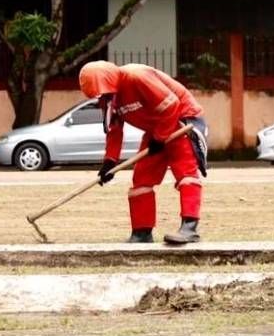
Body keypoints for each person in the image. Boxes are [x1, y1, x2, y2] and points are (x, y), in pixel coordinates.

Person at [78, 60, 208, 244]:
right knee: (141, 178)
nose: (102, 97)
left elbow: (171, 105)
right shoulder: (108, 98)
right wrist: (109, 162)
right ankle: (142, 232)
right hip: (157, 129)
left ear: (110, 80)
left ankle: (189, 229)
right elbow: (114, 128)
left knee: (185, 172)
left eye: (104, 92)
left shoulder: (136, 76)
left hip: (181, 120)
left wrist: (160, 138)